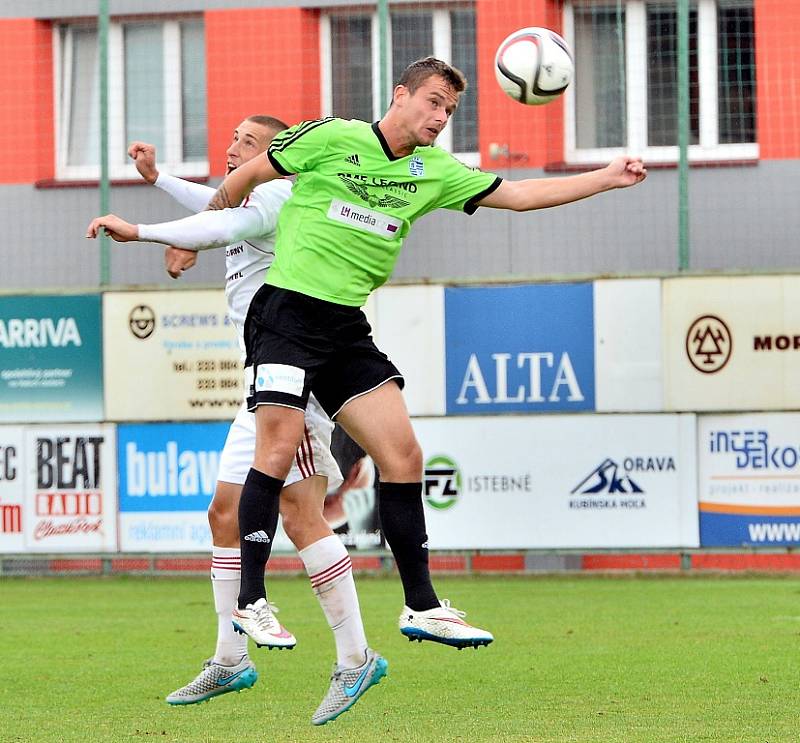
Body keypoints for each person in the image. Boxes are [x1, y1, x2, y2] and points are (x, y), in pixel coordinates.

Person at [198, 57, 647, 654]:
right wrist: (198, 236)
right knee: (277, 449)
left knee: (403, 454)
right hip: (284, 315)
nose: (441, 117)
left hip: (343, 326)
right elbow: (247, 174)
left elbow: (517, 194)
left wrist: (605, 176)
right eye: (433, 102)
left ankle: (423, 607)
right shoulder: (334, 136)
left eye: (450, 110)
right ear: (401, 94)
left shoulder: (432, 170)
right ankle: (251, 602)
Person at [87, 116, 385, 725]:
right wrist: (160, 178)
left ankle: (356, 656)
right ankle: (229, 657)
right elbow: (214, 203)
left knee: (299, 514)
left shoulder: (281, 194)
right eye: (232, 140)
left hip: (291, 375)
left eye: (246, 143)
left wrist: (141, 230)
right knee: (223, 513)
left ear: (273, 155)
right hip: (263, 377)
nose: (231, 150)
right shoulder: (257, 190)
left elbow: (225, 219)